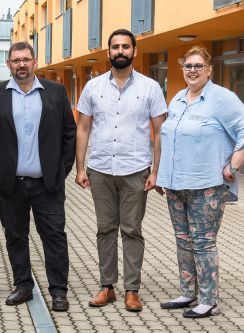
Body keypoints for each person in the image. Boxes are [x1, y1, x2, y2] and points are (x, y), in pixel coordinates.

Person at [75, 29, 167, 312]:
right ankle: (107, 287)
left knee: (131, 230)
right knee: (105, 229)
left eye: (125, 46)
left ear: (134, 51)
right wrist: (80, 168)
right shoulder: (93, 87)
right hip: (100, 168)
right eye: (115, 47)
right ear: (108, 52)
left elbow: (160, 132)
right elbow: (83, 127)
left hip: (136, 169)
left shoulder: (150, 88)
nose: (120, 51)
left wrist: (156, 172)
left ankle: (132, 290)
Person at [0, 42, 76, 311]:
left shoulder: (56, 93)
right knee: (15, 236)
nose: (21, 64)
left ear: (34, 62)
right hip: (9, 183)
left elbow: (69, 133)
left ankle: (59, 290)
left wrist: (62, 170)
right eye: (16, 60)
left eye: (26, 59)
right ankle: (23, 285)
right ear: (9, 64)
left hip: (47, 184)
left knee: (54, 236)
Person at [156, 46, 244, 318]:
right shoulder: (178, 98)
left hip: (206, 186)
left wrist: (234, 166)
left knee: (203, 243)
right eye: (187, 66)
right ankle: (188, 292)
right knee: (183, 240)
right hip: (175, 184)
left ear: (209, 69)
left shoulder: (222, 99)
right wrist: (161, 175)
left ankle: (208, 300)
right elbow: (168, 138)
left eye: (197, 66)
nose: (191, 70)